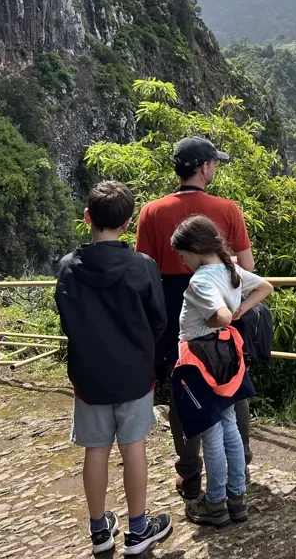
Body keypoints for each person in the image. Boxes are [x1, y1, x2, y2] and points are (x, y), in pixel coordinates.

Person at [54, 180, 173, 555]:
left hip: (89, 375)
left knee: (95, 449)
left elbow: (67, 320)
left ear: (87, 217)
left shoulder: (69, 268)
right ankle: (138, 531)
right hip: (135, 374)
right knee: (133, 447)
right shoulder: (142, 266)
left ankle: (99, 530)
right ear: (128, 223)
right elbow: (159, 320)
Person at [135, 136, 256, 500]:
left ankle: (189, 475)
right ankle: (241, 467)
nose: (215, 168)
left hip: (175, 315)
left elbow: (145, 273)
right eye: (214, 163)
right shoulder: (227, 209)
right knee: (231, 384)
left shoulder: (151, 212)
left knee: (183, 391)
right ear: (203, 167)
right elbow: (248, 269)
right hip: (220, 313)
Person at [169, 215, 274, 525]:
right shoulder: (231, 271)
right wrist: (241, 308)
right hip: (226, 355)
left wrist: (224, 317)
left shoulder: (200, 280)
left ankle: (215, 503)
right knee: (228, 425)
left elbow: (223, 316)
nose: (183, 261)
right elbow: (265, 286)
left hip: (200, 361)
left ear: (196, 249)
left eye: (183, 254)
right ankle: (236, 497)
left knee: (211, 432)